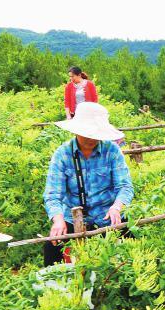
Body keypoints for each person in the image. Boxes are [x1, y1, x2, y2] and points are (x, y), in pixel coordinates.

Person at [43, 102, 134, 266]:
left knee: (134, 252)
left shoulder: (112, 151)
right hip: (72, 218)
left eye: (96, 134)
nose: (92, 139)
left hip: (108, 218)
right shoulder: (62, 155)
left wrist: (117, 207)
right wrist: (58, 220)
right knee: (51, 250)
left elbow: (125, 187)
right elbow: (52, 195)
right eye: (87, 133)